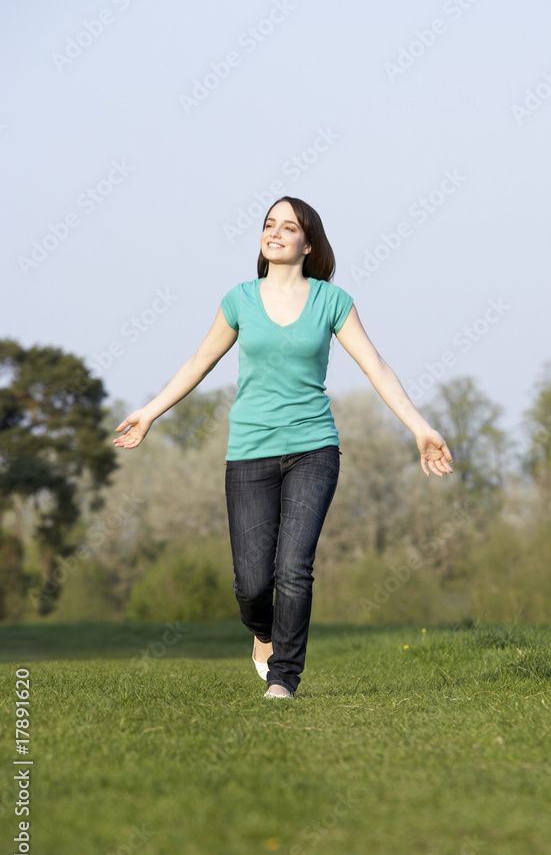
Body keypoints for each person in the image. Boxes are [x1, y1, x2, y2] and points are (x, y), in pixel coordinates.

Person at [113, 196, 453, 699]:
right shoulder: (239, 301)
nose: (275, 232)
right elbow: (197, 364)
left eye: (288, 227)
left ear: (307, 243)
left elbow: (376, 367)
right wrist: (149, 411)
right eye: (269, 225)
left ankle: (284, 677)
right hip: (249, 453)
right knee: (251, 584)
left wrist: (420, 427)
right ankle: (264, 635)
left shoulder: (331, 302)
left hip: (313, 449)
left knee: (294, 567)